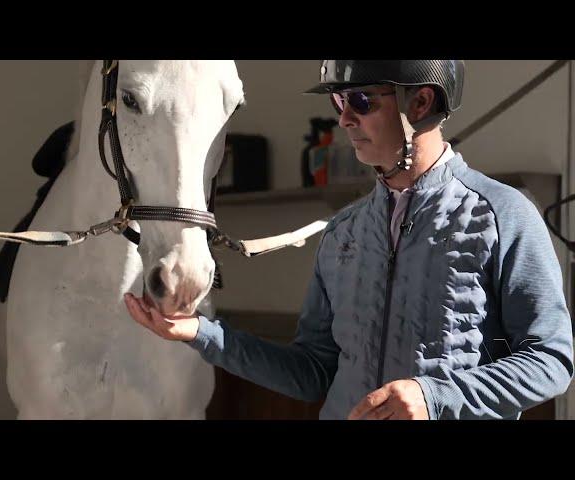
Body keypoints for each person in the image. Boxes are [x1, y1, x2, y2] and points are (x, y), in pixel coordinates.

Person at [124, 60, 574, 420]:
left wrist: (435, 398)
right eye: (339, 100)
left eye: (360, 100)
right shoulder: (344, 233)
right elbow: (312, 373)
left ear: (420, 102)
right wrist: (199, 333)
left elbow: (552, 361)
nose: (343, 118)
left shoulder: (504, 214)